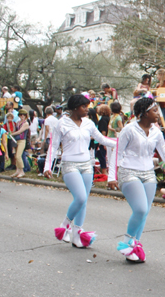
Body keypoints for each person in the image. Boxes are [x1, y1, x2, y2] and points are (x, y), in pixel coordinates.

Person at [108, 97, 165, 263]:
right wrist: (112, 176)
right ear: (143, 113)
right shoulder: (129, 129)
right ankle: (127, 241)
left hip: (149, 173)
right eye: (154, 110)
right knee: (140, 209)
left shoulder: (157, 132)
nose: (157, 114)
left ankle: (135, 246)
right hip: (128, 171)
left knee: (145, 212)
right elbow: (117, 152)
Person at [45, 94, 117, 248]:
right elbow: (54, 146)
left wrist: (119, 144)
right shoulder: (61, 124)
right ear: (75, 108)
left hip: (86, 165)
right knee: (80, 197)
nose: (87, 109)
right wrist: (47, 166)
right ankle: (64, 226)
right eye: (84, 107)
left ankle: (77, 235)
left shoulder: (89, 123)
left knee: (84, 201)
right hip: (69, 164)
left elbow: (101, 139)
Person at [9, 109, 30, 178]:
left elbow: (19, 131)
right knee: (15, 156)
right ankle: (18, 170)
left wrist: (11, 134)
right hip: (16, 140)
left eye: (24, 115)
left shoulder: (26, 123)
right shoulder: (18, 122)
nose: (22, 116)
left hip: (22, 140)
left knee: (18, 156)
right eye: (21, 115)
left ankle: (22, 171)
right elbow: (15, 130)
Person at [95, 104, 111, 177]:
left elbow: (103, 131)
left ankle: (104, 171)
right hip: (108, 139)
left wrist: (102, 142)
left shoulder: (103, 120)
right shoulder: (108, 118)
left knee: (101, 155)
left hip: (103, 140)